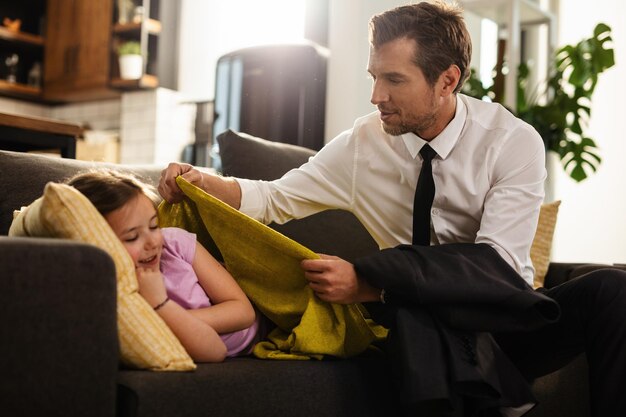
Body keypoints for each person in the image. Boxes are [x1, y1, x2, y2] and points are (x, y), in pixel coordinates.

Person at [159, 1, 626, 415]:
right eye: (374, 76)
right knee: (414, 311)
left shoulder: (511, 142)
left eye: (394, 80)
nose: (375, 96)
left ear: (448, 80)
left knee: (611, 290)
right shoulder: (363, 144)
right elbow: (274, 198)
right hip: (415, 321)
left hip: (504, 321)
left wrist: (373, 278)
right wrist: (203, 181)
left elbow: (496, 266)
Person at [67, 170, 261, 363]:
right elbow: (214, 351)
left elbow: (244, 313)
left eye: (153, 226)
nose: (152, 242)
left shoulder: (174, 243)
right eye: (132, 237)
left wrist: (166, 315)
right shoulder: (117, 293)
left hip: (259, 330)